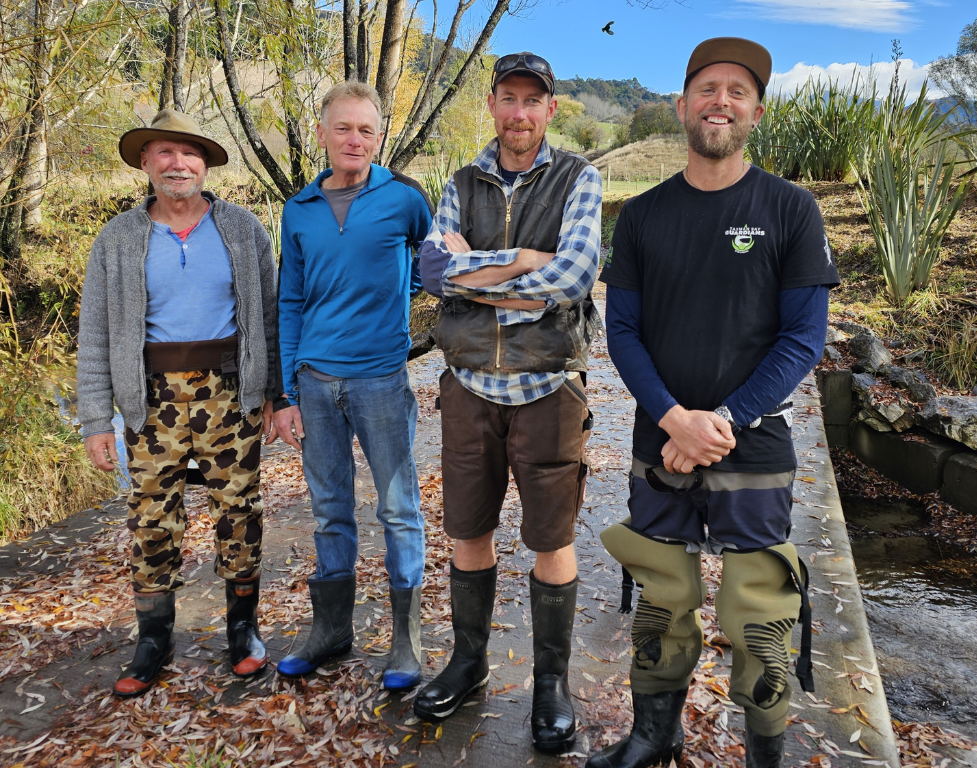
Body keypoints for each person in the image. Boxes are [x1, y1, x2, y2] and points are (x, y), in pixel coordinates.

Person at [587, 38, 840, 768]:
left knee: (761, 610)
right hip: (659, 441)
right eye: (706, 88)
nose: (719, 101)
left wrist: (721, 421)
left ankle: (764, 751)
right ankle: (653, 735)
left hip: (752, 441)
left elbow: (802, 341)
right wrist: (674, 419)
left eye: (736, 91)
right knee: (662, 595)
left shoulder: (792, 210)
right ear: (682, 106)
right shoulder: (640, 217)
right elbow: (623, 330)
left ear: (756, 112)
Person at [414, 52, 603, 755]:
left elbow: (575, 273)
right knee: (468, 528)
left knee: (552, 539)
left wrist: (498, 272)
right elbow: (432, 271)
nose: (520, 113)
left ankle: (550, 682)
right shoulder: (460, 183)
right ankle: (469, 662)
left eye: (534, 100)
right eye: (509, 99)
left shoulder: (581, 177)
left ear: (550, 110)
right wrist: (524, 265)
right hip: (469, 387)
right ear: (491, 104)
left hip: (549, 387)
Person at [78, 110, 280, 697]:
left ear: (206, 163)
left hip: (228, 395)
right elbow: (94, 333)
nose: (177, 164)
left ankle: (242, 630)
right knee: (150, 518)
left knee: (240, 510)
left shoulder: (244, 231)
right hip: (148, 401)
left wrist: (271, 393)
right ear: (145, 163)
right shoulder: (117, 239)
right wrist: (96, 419)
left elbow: (267, 321)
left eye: (189, 154)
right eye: (164, 153)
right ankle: (154, 638)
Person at [270, 82, 433, 690]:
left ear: (379, 137)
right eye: (344, 128)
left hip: (381, 381)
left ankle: (406, 640)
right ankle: (332, 630)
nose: (355, 140)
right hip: (315, 382)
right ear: (323, 134)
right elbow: (289, 300)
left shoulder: (403, 199)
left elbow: (432, 261)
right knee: (330, 508)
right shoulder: (299, 210)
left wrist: (399, 300)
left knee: (398, 508)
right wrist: (286, 393)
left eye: (366, 130)